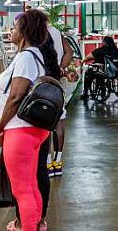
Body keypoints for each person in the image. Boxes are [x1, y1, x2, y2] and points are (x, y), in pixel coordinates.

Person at [0, 9, 61, 231]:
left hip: (19, 130)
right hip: (31, 131)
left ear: (23, 32)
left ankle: (28, 227)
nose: (11, 32)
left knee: (22, 190)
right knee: (30, 186)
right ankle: (33, 225)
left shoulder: (25, 57)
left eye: (14, 28)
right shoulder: (34, 54)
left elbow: (16, 96)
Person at [44, 23, 72, 178]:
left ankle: (48, 161)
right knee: (59, 120)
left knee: (45, 121)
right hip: (58, 81)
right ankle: (58, 161)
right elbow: (69, 51)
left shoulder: (36, 33)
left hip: (43, 82)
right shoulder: (56, 32)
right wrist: (61, 68)